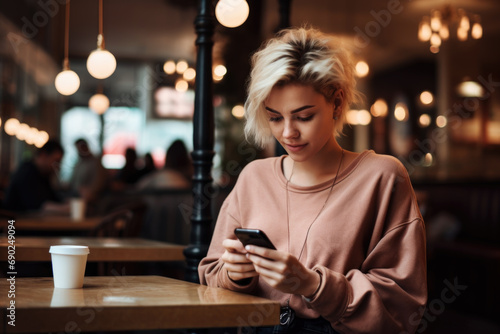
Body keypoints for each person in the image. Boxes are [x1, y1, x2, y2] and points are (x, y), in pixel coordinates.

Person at [198, 27, 427, 333]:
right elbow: (211, 273)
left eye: (304, 116)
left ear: (336, 102)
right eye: (275, 117)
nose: (288, 133)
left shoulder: (382, 176)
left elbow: (402, 303)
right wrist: (235, 275)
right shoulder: (255, 177)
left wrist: (313, 285)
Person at [3, 140, 68, 213]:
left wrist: (67, 202)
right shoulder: (26, 172)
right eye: (56, 161)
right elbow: (38, 205)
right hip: (14, 222)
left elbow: (53, 198)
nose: (58, 166)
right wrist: (67, 208)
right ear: (43, 155)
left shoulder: (43, 174)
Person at [68, 138, 108, 203]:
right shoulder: (79, 163)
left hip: (89, 196)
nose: (78, 151)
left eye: (80, 148)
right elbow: (73, 181)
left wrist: (89, 190)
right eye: (77, 149)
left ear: (85, 147)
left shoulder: (96, 162)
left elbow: (99, 182)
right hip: (74, 193)